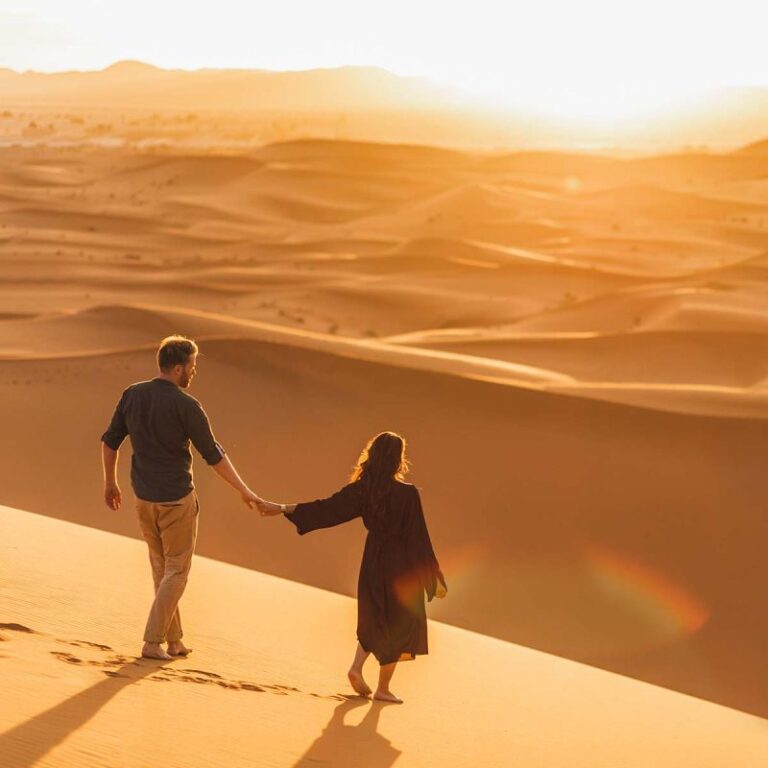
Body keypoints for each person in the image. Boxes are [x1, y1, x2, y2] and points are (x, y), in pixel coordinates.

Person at [100, 335, 262, 660]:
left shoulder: (133, 394)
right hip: (175, 501)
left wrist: (110, 483)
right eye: (192, 365)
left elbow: (109, 441)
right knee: (176, 572)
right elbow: (213, 454)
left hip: (143, 499)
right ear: (177, 368)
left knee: (162, 571)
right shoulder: (186, 406)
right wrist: (244, 490)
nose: (194, 371)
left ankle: (174, 641)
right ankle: (152, 641)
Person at [259, 431, 447, 703]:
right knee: (400, 624)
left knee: (375, 616)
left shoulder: (363, 489)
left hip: (373, 560)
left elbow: (328, 509)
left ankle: (357, 667)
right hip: (401, 565)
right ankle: (383, 688)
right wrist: (432, 576)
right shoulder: (407, 494)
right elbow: (419, 537)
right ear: (398, 459)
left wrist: (282, 507)